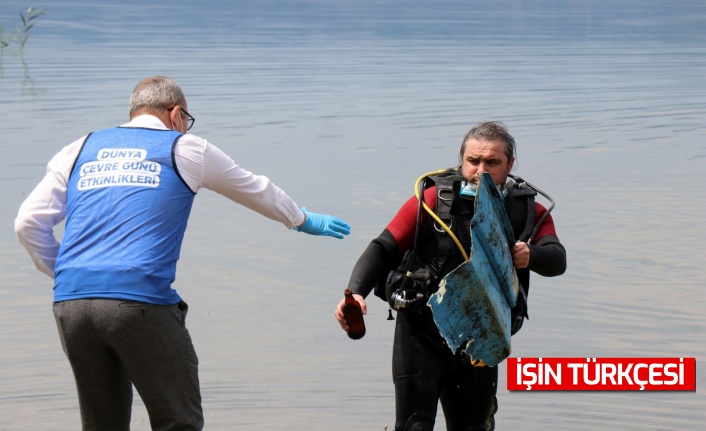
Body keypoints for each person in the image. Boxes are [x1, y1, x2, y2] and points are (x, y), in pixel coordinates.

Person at [14, 75, 351, 431]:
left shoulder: (79, 148)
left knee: (102, 425)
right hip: (139, 303)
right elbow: (254, 188)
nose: (186, 129)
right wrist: (301, 219)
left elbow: (27, 223)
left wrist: (69, 274)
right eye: (186, 122)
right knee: (178, 422)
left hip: (71, 304)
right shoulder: (184, 148)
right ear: (175, 114)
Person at [334, 121, 566, 431]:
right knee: (413, 426)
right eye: (473, 161)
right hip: (421, 332)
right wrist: (355, 293)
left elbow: (557, 259)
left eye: (492, 162)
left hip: (481, 336)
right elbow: (382, 248)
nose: (480, 170)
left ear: (510, 164)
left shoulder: (525, 211)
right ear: (462, 160)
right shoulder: (432, 201)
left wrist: (530, 255)